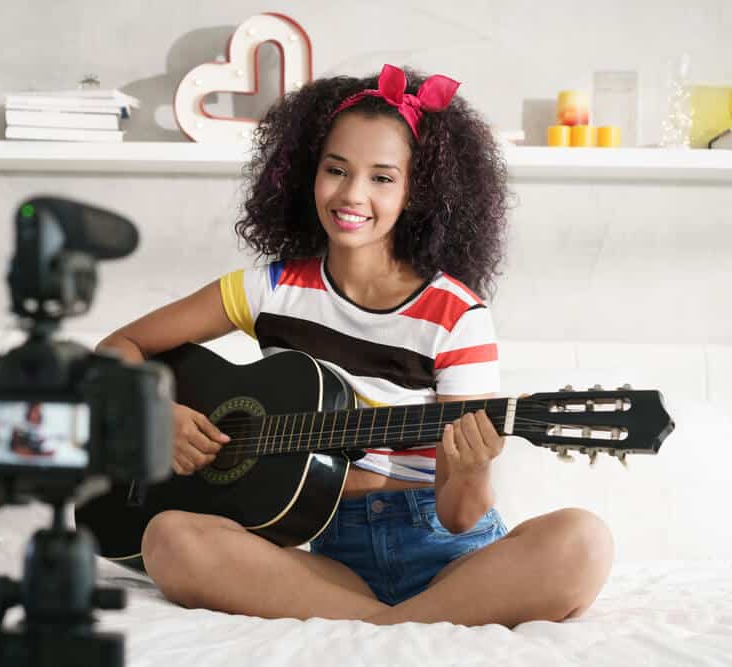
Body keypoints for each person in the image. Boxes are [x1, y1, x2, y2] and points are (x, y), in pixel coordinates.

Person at [95, 64, 614, 627]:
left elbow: (461, 517)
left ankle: (384, 625)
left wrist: (469, 469)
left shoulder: (455, 314)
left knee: (583, 542)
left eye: (382, 178)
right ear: (305, 174)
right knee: (169, 538)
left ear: (418, 192)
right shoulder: (270, 290)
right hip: (330, 553)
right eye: (336, 170)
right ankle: (407, 622)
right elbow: (118, 346)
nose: (352, 194)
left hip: (453, 559)